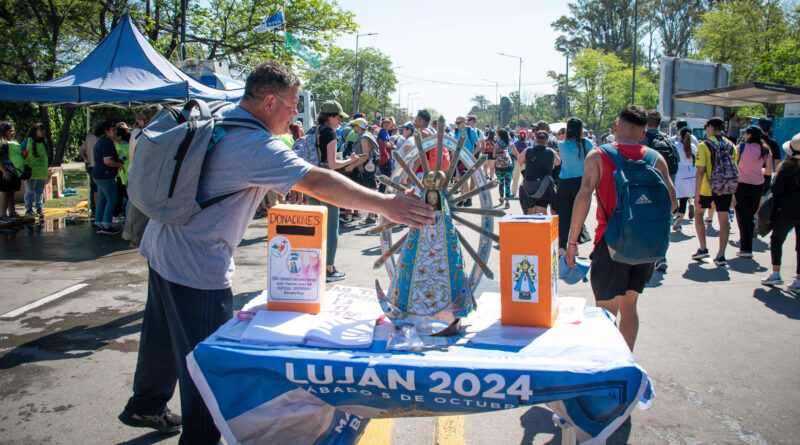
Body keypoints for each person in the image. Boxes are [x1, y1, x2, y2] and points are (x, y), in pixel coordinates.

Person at [120, 62, 434, 444]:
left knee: (161, 335)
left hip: (162, 245)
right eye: (292, 104)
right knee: (209, 371)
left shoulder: (223, 118)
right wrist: (386, 204)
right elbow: (316, 181)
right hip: (196, 265)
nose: (295, 114)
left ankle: (146, 403)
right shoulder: (253, 144)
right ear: (269, 102)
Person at [566, 105, 676, 352]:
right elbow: (672, 201)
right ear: (643, 133)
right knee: (630, 306)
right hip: (645, 246)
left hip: (610, 244)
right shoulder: (655, 159)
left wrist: (572, 242)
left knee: (605, 313)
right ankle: (626, 360)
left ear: (616, 127)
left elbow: (583, 197)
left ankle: (608, 363)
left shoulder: (598, 156)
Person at [308, 100, 363, 281]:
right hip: (325, 181)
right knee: (332, 226)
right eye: (338, 117)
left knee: (317, 226)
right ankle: (329, 269)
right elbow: (332, 163)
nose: (340, 121)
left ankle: (315, 266)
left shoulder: (312, 130)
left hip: (309, 179)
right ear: (330, 116)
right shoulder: (331, 133)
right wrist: (350, 160)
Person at [692, 117, 738, 266]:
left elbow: (700, 171)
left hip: (707, 187)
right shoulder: (731, 145)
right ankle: (721, 254)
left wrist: (696, 194)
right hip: (725, 188)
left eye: (706, 127)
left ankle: (703, 248)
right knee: (724, 220)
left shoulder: (704, 145)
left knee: (699, 214)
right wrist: (733, 192)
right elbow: (734, 170)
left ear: (711, 127)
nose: (706, 130)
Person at [761, 132, 800, 291]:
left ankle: (776, 273)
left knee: (777, 240)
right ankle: (798, 280)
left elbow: (776, 189)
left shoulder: (786, 167)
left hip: (785, 210)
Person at [642, 110, 678, 272]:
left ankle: (647, 255)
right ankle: (662, 256)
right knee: (663, 223)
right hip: (667, 187)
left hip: (648, 188)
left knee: (646, 222)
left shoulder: (643, 140)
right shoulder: (668, 140)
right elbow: (675, 165)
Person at [123, 106, 160, 246]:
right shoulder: (150, 135)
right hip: (143, 178)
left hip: (134, 174)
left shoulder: (136, 133)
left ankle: (131, 233)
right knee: (139, 211)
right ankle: (134, 234)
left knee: (133, 205)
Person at [555, 118, 594, 254]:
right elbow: (594, 157)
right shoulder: (585, 143)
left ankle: (562, 246)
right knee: (577, 215)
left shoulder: (561, 145)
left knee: (563, 215)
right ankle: (574, 244)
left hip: (563, 182)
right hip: (580, 183)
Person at [734, 125, 773, 258]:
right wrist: (758, 170)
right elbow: (769, 171)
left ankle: (746, 248)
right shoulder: (765, 149)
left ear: (749, 135)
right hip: (758, 186)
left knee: (742, 216)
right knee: (750, 215)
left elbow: (733, 165)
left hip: (741, 185)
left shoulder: (741, 147)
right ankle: (747, 245)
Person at [91, 121, 123, 234]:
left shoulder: (100, 141)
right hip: (105, 175)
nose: (115, 132)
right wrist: (119, 164)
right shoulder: (107, 142)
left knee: (102, 199)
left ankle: (99, 222)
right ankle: (106, 224)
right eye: (113, 130)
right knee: (112, 199)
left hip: (98, 174)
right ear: (106, 131)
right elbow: (108, 161)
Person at [517, 131, 560, 215]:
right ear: (547, 141)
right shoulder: (551, 151)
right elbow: (558, 162)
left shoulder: (527, 150)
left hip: (529, 185)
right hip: (545, 185)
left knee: (530, 212)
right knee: (542, 211)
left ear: (535, 140)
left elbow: (519, 161)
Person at [350, 117, 381, 225]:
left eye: (354, 125)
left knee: (369, 194)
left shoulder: (363, 138)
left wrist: (352, 166)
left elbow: (365, 156)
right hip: (369, 169)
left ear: (359, 126)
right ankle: (372, 215)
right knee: (371, 192)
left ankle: (371, 218)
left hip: (367, 170)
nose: (353, 127)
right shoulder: (368, 135)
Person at [22, 123, 51, 217]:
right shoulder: (27, 142)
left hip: (41, 171)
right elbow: (22, 154)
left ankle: (39, 208)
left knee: (39, 191)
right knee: (30, 190)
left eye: (43, 130)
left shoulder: (44, 143)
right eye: (41, 130)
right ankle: (29, 209)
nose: (43, 132)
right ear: (35, 131)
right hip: (30, 171)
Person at [673, 127, 697, 232]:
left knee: (674, 197)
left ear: (680, 135)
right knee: (684, 200)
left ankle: (676, 215)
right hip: (691, 173)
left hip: (679, 173)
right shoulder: (693, 147)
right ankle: (679, 221)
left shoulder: (676, 145)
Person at [453, 115, 479, 207]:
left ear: (464, 122)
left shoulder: (470, 131)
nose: (457, 125)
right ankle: (465, 198)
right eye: (456, 123)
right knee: (461, 180)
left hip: (467, 159)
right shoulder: (457, 131)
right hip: (458, 159)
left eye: (458, 123)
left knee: (463, 179)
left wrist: (472, 155)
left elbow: (478, 145)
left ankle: (465, 199)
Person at [0, 121, 24, 221]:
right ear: (4, 131)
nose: (12, 133)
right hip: (5, 171)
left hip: (14, 170)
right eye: (10, 131)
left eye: (13, 131)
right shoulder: (2, 142)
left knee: (11, 193)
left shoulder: (13, 142)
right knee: (5, 193)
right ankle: (2, 215)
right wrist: (4, 171)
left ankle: (12, 212)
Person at [493, 129, 514, 209]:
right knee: (508, 183)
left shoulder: (496, 145)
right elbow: (515, 153)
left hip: (499, 166)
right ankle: (507, 202)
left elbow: (494, 156)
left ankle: (501, 198)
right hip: (509, 165)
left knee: (501, 182)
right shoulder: (510, 144)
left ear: (499, 136)